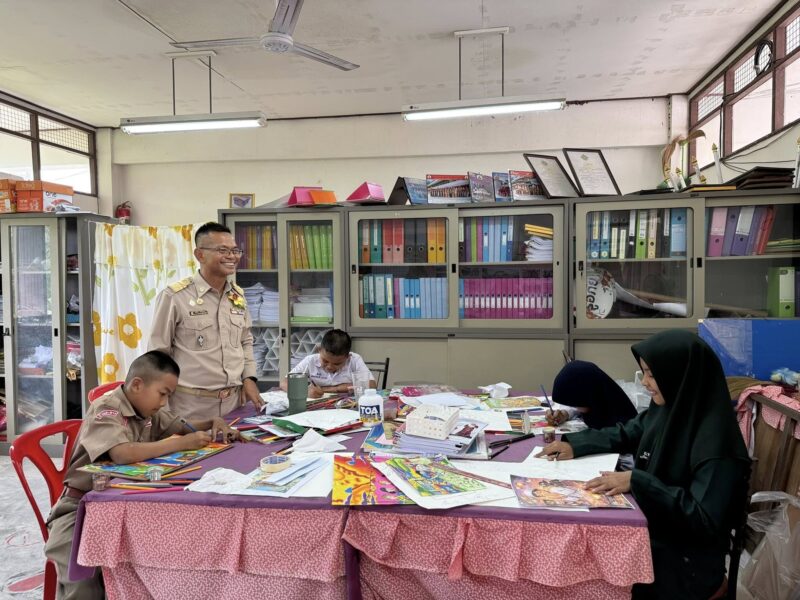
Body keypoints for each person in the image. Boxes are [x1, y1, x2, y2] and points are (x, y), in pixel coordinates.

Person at [537, 330, 750, 600]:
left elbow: (703, 520)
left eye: (651, 374)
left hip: (687, 564)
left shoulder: (718, 443)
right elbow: (628, 431)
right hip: (658, 530)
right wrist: (576, 445)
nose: (645, 383)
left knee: (588, 567)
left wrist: (637, 480)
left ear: (679, 375)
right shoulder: (670, 408)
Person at [44, 350, 238, 600]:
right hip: (78, 509)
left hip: (118, 505)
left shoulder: (147, 411)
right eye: (163, 393)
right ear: (137, 385)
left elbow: (182, 426)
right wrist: (180, 444)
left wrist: (213, 422)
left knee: (156, 559)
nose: (164, 402)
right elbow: (122, 453)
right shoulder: (107, 409)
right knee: (84, 585)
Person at [149, 222, 264, 420]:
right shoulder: (175, 297)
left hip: (234, 404)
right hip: (191, 407)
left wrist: (249, 378)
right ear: (200, 255)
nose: (232, 256)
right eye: (223, 250)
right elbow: (158, 355)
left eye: (235, 250)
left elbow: (245, 341)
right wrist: (161, 409)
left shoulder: (237, 296)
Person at [280, 329, 375, 399]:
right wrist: (303, 392)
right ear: (319, 350)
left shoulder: (354, 360)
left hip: (347, 405)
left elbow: (371, 385)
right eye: (325, 361)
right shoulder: (310, 360)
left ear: (347, 357)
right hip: (317, 405)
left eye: (337, 364)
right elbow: (284, 383)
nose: (329, 367)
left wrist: (328, 389)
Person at [545, 360, 638, 429]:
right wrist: (564, 414)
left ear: (589, 396)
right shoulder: (596, 401)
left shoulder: (621, 424)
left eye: (576, 403)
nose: (575, 407)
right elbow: (582, 407)